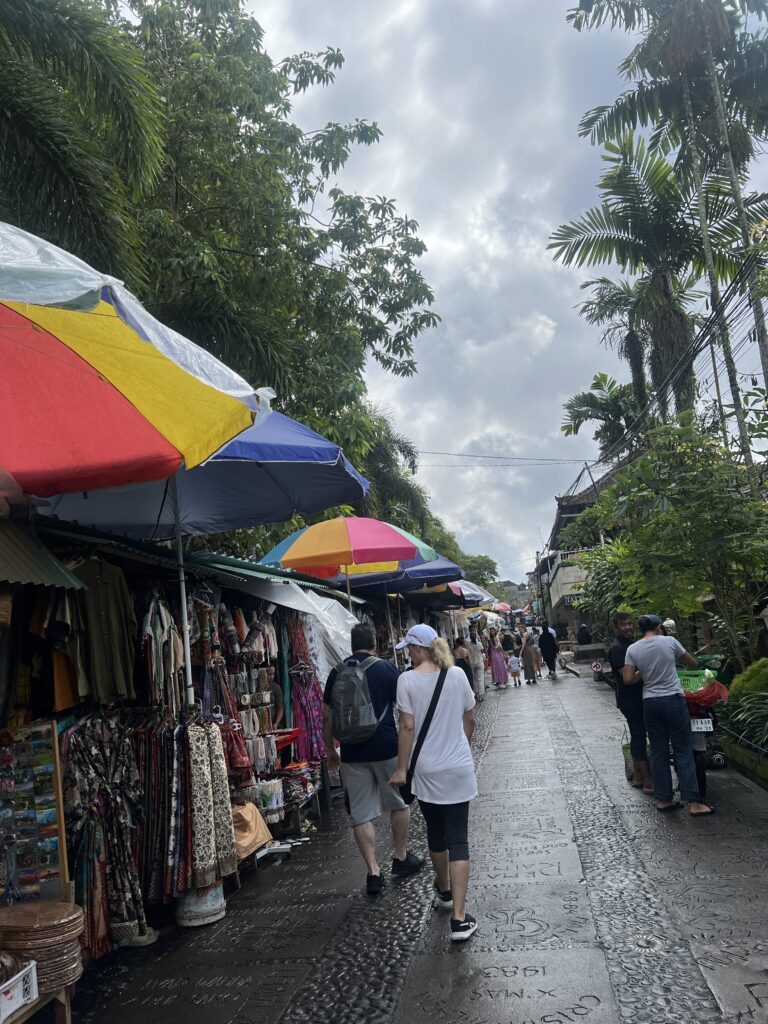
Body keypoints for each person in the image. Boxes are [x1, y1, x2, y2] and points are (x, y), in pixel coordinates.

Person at [389, 625, 478, 941]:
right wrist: (461, 745)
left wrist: (401, 769)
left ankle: (444, 891)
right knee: (458, 838)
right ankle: (459, 919)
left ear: (418, 648)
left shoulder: (407, 681)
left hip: (425, 770)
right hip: (457, 767)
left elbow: (407, 726)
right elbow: (470, 716)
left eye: (408, 648)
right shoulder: (455, 675)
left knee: (436, 833)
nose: (407, 654)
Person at [323, 623, 425, 895]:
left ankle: (373, 872)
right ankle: (401, 857)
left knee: (360, 814)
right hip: (386, 747)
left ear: (351, 644)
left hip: (352, 752)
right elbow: (405, 712)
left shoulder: (336, 672)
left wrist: (331, 750)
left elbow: (327, 716)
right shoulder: (385, 669)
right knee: (399, 803)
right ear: (374, 643)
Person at [622, 615, 714, 816]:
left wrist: (645, 673)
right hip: (673, 700)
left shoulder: (633, 649)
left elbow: (628, 679)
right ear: (658, 627)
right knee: (683, 750)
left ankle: (663, 799)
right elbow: (693, 663)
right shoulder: (669, 642)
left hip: (650, 703)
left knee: (658, 751)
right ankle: (693, 802)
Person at [607, 613, 651, 793]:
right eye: (622, 625)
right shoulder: (617, 649)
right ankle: (647, 780)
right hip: (630, 699)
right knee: (639, 736)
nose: (627, 627)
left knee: (638, 735)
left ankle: (639, 776)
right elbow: (628, 677)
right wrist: (649, 668)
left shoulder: (632, 645)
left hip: (639, 697)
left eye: (629, 623)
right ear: (616, 628)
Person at [466, 625, 486, 701]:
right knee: (480, 679)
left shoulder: (467, 645)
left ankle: (476, 694)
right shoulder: (479, 644)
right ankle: (481, 695)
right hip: (480, 662)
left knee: (474, 679)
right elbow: (482, 651)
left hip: (472, 663)